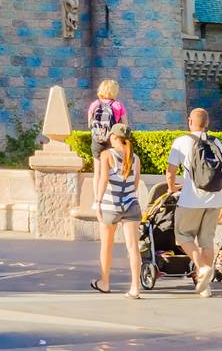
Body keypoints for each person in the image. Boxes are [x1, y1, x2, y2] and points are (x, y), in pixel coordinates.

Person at [166, 107, 222, 297]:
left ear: (190, 122)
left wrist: (171, 187)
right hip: (215, 198)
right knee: (207, 240)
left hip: (191, 199)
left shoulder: (182, 141)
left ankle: (201, 268)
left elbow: (171, 172)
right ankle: (204, 287)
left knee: (183, 235)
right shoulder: (217, 142)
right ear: (207, 123)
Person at [90, 122, 142, 298]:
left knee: (107, 246)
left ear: (114, 137)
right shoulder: (135, 158)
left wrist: (97, 202)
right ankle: (135, 287)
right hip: (131, 205)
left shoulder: (106, 155)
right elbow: (134, 185)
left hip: (110, 205)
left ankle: (104, 282)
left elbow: (103, 179)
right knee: (133, 247)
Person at [86, 80, 129, 158]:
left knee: (97, 162)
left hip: (97, 138)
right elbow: (125, 125)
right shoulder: (118, 105)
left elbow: (90, 124)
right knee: (111, 162)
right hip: (112, 138)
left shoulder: (95, 104)